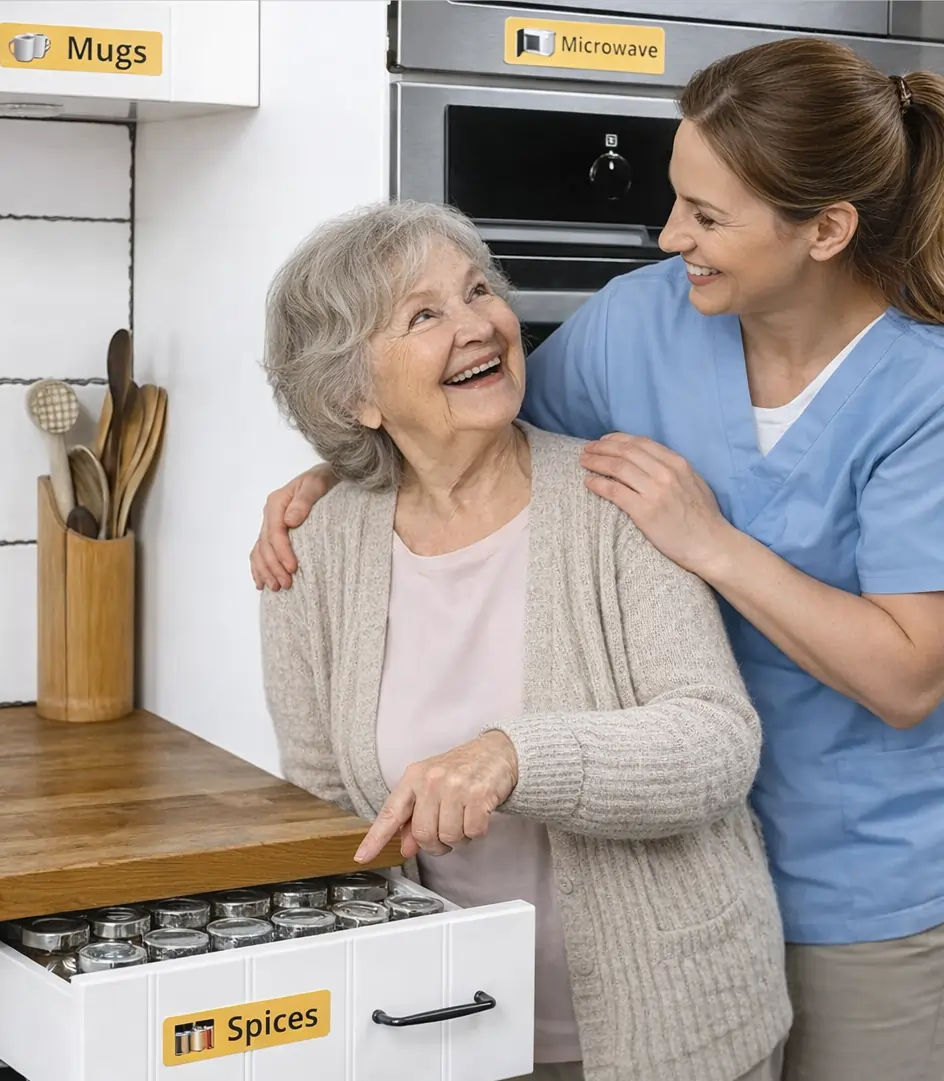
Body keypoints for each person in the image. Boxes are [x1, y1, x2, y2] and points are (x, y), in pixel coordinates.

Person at [251, 36, 944, 1081]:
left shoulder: (918, 392)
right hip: (626, 902)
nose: (671, 237)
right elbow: (485, 436)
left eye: (707, 218)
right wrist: (337, 479)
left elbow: (906, 675)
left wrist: (710, 543)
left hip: (854, 874)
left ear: (826, 230)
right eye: (676, 199)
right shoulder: (641, 321)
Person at [259, 199, 790, 1081]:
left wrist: (514, 755)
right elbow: (322, 813)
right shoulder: (313, 553)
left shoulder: (618, 501)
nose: (477, 325)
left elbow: (716, 742)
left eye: (478, 291)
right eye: (423, 315)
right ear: (354, 396)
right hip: (438, 1036)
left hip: (671, 1035)